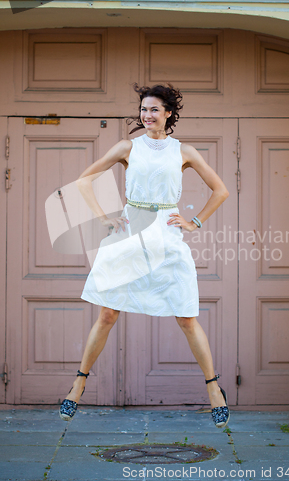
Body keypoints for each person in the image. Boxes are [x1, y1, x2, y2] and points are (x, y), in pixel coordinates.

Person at [59, 83, 230, 428]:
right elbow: (83, 181)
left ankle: (214, 389)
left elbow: (221, 190)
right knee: (108, 314)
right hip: (129, 234)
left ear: (168, 114)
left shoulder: (185, 152)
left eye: (154, 109)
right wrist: (105, 217)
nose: (147, 115)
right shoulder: (127, 147)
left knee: (185, 316)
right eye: (143, 109)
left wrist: (194, 222)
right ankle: (78, 386)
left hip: (166, 238)